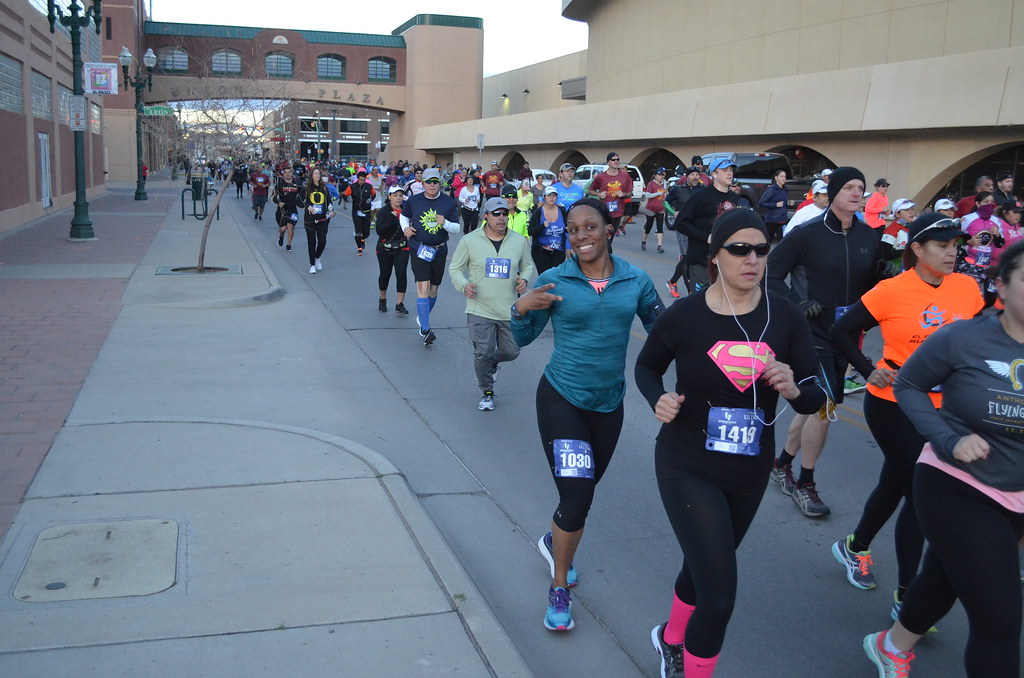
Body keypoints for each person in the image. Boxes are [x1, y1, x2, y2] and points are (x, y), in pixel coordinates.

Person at [635, 208, 824, 678]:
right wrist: (658, 399)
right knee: (718, 596)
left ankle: (670, 637)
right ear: (715, 256)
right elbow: (646, 366)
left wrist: (796, 388)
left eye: (761, 249)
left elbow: (815, 395)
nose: (752, 258)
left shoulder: (784, 314)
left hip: (748, 469)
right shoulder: (685, 315)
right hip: (686, 462)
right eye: (739, 249)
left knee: (706, 564)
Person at [863, 240, 1024, 678]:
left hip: (1019, 493)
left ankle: (890, 646)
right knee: (1000, 621)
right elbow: (909, 386)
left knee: (944, 577)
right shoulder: (964, 337)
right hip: (957, 484)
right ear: (1002, 288)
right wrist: (949, 438)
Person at [511, 197, 662, 633]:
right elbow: (523, 339)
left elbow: (663, 331)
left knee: (579, 493)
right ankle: (559, 584)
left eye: (590, 227)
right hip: (561, 398)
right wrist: (521, 309)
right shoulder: (555, 279)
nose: (581, 236)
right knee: (578, 497)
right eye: (573, 229)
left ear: (609, 229)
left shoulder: (635, 280)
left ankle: (552, 539)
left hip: (609, 404)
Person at [828, 213, 982, 611]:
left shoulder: (967, 288)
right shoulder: (891, 290)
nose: (953, 253)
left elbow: (983, 336)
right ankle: (907, 595)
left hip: (947, 406)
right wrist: (868, 369)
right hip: (895, 403)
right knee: (918, 491)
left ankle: (854, 545)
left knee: (896, 483)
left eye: (956, 245)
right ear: (916, 249)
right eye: (942, 245)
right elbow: (841, 331)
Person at [766, 166, 881, 517]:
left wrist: (883, 274)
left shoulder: (870, 236)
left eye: (860, 187)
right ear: (831, 193)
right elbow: (771, 275)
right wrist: (798, 305)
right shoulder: (806, 234)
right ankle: (806, 482)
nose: (856, 192)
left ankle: (782, 463)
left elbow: (869, 283)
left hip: (847, 335)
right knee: (825, 406)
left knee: (819, 403)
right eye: (848, 186)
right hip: (812, 335)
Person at [449, 197, 534, 411]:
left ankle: (492, 363)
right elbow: (455, 269)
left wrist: (523, 280)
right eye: (496, 214)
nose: (502, 218)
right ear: (485, 216)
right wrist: (464, 285)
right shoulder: (469, 241)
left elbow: (527, 267)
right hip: (480, 308)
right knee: (482, 352)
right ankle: (487, 391)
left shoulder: (518, 241)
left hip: (508, 309)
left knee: (512, 351)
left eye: (505, 213)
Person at [401, 168, 461, 345]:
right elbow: (404, 217)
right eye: (429, 182)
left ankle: (423, 317)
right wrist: (405, 228)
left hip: (439, 249)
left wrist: (446, 223)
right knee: (423, 286)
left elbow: (457, 229)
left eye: (435, 182)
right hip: (419, 247)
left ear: (440, 183)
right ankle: (426, 330)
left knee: (434, 289)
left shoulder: (448, 202)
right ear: (423, 183)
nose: (432, 185)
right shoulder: (414, 200)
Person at [674, 157, 743, 297]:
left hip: (726, 262)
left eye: (731, 170)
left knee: (723, 304)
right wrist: (707, 237)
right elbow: (681, 223)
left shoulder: (733, 197)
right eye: (724, 170)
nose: (729, 174)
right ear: (714, 174)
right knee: (701, 305)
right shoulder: (701, 196)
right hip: (701, 261)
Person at [665, 167, 705, 298]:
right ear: (686, 176)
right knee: (687, 257)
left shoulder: (703, 190)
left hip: (698, 228)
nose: (695, 177)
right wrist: (673, 212)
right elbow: (666, 202)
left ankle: (673, 281)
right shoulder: (678, 189)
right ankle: (690, 290)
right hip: (683, 227)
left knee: (692, 256)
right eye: (692, 174)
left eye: (697, 174)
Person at [376, 184, 410, 315]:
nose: (398, 198)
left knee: (401, 274)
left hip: (402, 247)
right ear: (389, 196)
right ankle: (382, 299)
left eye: (401, 196)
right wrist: (392, 217)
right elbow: (380, 230)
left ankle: (399, 304)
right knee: (385, 274)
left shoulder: (406, 211)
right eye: (395, 196)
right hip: (384, 248)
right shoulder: (384, 212)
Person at [587, 152, 634, 236]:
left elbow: (630, 194)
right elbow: (590, 190)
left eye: (617, 159)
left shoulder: (625, 176)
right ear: (608, 162)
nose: (616, 161)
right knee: (603, 237)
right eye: (613, 160)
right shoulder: (601, 176)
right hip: (604, 212)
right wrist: (599, 194)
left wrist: (623, 194)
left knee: (610, 237)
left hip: (617, 212)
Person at [529, 186, 569, 274]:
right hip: (542, 252)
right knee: (545, 279)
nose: (551, 198)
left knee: (557, 278)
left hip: (558, 251)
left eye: (554, 196)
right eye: (549, 195)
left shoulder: (562, 210)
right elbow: (531, 231)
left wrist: (568, 229)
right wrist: (542, 226)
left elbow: (568, 226)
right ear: (544, 197)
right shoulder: (538, 212)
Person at [344, 171, 376, 256]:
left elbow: (373, 194)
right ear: (357, 179)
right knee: (358, 231)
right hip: (356, 212)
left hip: (366, 212)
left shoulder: (369, 187)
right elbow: (345, 195)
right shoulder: (352, 187)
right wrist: (347, 199)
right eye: (360, 180)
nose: (362, 182)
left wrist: (371, 199)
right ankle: (359, 248)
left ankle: (363, 239)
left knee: (366, 232)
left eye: (363, 180)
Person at [271, 166, 301, 252]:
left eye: (289, 172)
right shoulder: (280, 184)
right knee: (283, 229)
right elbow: (273, 196)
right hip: (282, 210)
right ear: (283, 174)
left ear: (292, 173)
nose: (288, 174)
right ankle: (281, 236)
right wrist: (278, 202)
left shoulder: (296, 183)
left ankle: (289, 244)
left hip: (292, 209)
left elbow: (302, 195)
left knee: (291, 227)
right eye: (286, 172)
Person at [758, 168, 790, 242]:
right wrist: (775, 205)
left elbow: (783, 204)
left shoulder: (785, 189)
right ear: (776, 178)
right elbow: (761, 203)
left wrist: (788, 203)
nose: (784, 178)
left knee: (782, 243)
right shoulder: (772, 189)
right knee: (767, 242)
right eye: (781, 176)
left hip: (782, 220)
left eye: (785, 177)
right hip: (772, 221)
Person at [640, 168, 668, 252]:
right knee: (648, 226)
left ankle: (659, 246)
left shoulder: (664, 183)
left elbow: (665, 193)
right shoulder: (651, 184)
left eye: (662, 175)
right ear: (655, 176)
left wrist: (665, 196)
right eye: (659, 175)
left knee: (660, 227)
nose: (660, 177)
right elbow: (647, 195)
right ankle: (644, 241)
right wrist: (657, 194)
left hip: (660, 208)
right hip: (651, 208)